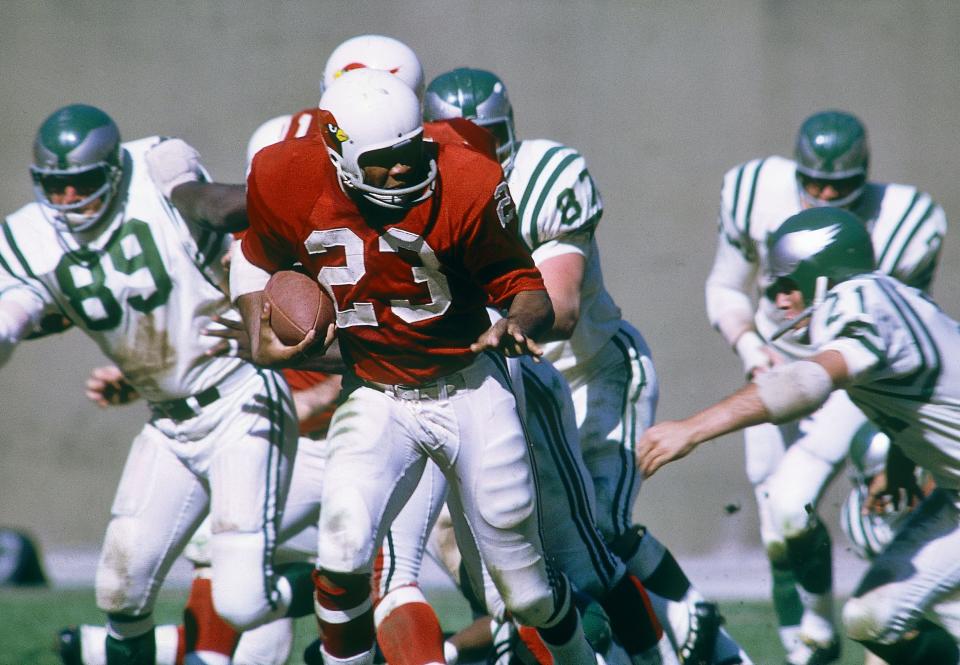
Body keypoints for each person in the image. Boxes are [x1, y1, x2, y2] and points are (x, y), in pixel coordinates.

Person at [231, 68, 597, 665]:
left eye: (411, 150)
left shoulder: (468, 178)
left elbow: (527, 289)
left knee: (525, 595)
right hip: (376, 393)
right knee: (343, 553)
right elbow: (253, 257)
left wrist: (516, 322)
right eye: (384, 159)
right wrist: (257, 330)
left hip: (469, 387)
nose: (404, 167)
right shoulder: (284, 174)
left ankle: (581, 657)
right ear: (338, 150)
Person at [422, 67, 750, 665]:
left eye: (484, 134)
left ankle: (712, 645)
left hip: (586, 373)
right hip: (500, 385)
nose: (470, 149)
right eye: (452, 136)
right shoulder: (417, 191)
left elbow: (562, 307)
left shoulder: (545, 177)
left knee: (593, 528)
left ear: (508, 131)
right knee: (497, 552)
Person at [0, 103, 316, 665]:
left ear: (114, 173)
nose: (69, 200)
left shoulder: (156, 165)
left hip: (239, 397)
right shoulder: (30, 237)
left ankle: (340, 583)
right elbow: (21, 310)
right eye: (56, 186)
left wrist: (279, 201)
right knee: (120, 593)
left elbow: (211, 206)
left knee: (243, 602)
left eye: (83, 184)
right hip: (167, 422)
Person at [640, 206, 960, 665]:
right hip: (954, 493)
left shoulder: (858, 302)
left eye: (790, 283)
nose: (780, 298)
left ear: (824, 274)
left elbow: (806, 385)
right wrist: (901, 461)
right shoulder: (891, 299)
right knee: (871, 617)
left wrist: (692, 429)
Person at [704, 109, 947, 664]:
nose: (824, 194)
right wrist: (751, 349)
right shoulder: (755, 193)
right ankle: (811, 641)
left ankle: (900, 635)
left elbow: (902, 331)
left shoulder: (905, 225)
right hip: (775, 365)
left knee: (877, 519)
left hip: (854, 386)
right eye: (813, 183)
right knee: (779, 523)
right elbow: (725, 285)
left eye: (839, 186)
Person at [58, 361, 340, 665]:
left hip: (341, 447)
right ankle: (347, 597)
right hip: (275, 440)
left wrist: (318, 396)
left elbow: (380, 348)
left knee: (218, 541)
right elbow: (214, 343)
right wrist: (147, 374)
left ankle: (353, 596)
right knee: (251, 637)